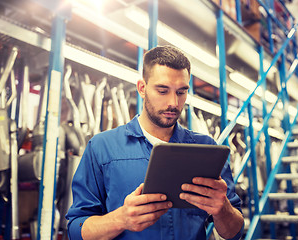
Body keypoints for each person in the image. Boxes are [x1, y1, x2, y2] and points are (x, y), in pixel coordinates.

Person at [66, 45, 244, 240]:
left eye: (181, 92)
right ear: (142, 88)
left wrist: (222, 209)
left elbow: (233, 233)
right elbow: (76, 229)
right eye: (162, 91)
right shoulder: (102, 148)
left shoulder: (207, 150)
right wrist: (121, 219)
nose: (173, 103)